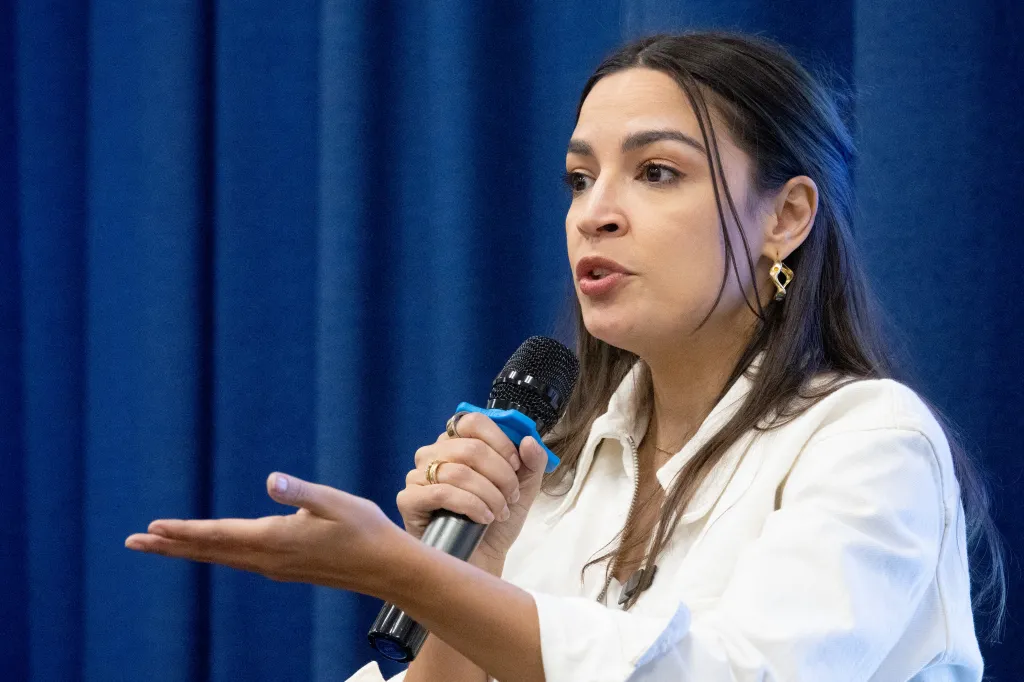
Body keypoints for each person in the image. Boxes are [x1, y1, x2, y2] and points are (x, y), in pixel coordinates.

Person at [125, 32, 1005, 681]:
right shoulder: (553, 473)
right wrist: (460, 574)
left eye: (656, 172)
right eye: (581, 180)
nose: (595, 213)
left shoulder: (870, 440)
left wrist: (405, 571)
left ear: (787, 216)